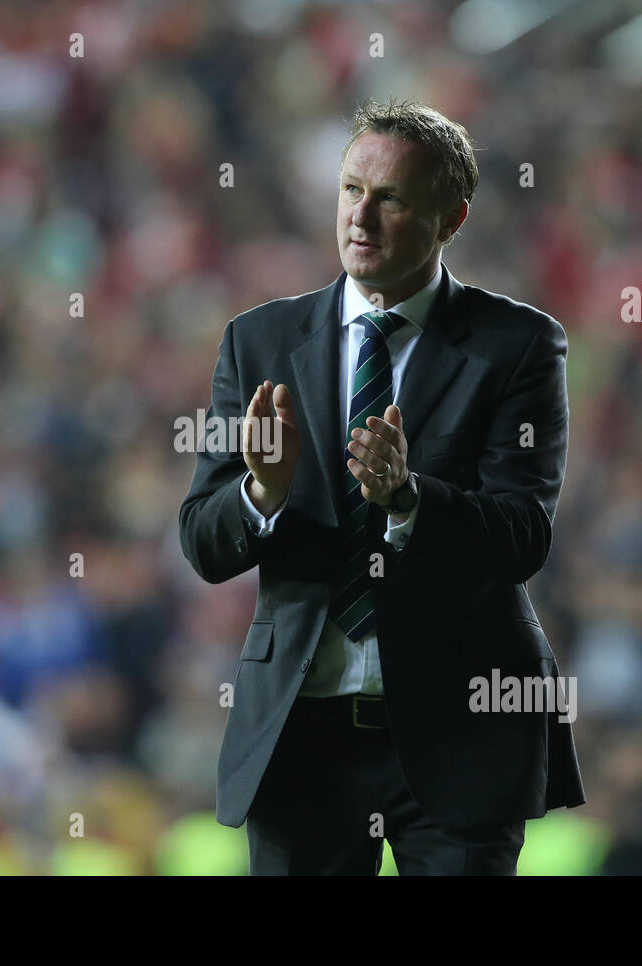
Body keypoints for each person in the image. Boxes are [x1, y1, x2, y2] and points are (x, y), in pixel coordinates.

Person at [179, 98, 585, 875]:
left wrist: (409, 500)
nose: (360, 217)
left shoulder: (519, 346)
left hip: (460, 734)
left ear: (450, 218)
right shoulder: (258, 341)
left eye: (391, 198)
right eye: (350, 191)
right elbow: (202, 537)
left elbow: (523, 537)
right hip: (301, 742)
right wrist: (260, 495)